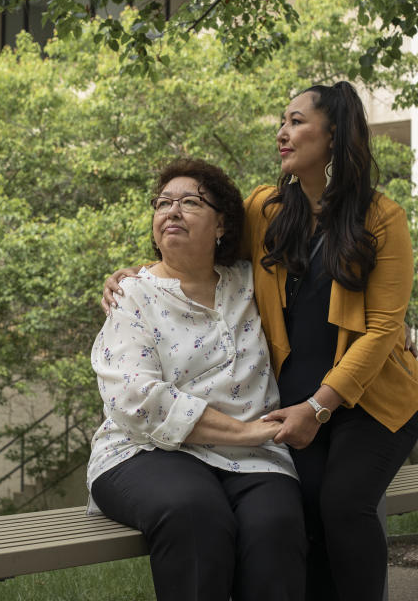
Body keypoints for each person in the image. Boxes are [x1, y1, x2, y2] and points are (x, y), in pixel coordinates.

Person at [103, 82, 418, 601]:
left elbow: (383, 328)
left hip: (371, 398)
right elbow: (205, 251)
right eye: (283, 121)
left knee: (343, 504)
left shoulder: (382, 217)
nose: (283, 132)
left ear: (335, 133)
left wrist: (320, 408)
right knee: (301, 508)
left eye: (297, 122)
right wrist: (140, 273)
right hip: (296, 399)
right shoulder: (266, 208)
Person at [87, 158, 308, 601]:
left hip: (253, 456)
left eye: (190, 202)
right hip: (145, 450)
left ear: (222, 224)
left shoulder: (251, 283)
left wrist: (391, 326)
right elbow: (137, 398)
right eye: (163, 202)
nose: (172, 211)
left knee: (276, 523)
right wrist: (244, 431)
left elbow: (327, 301)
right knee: (194, 513)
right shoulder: (133, 294)